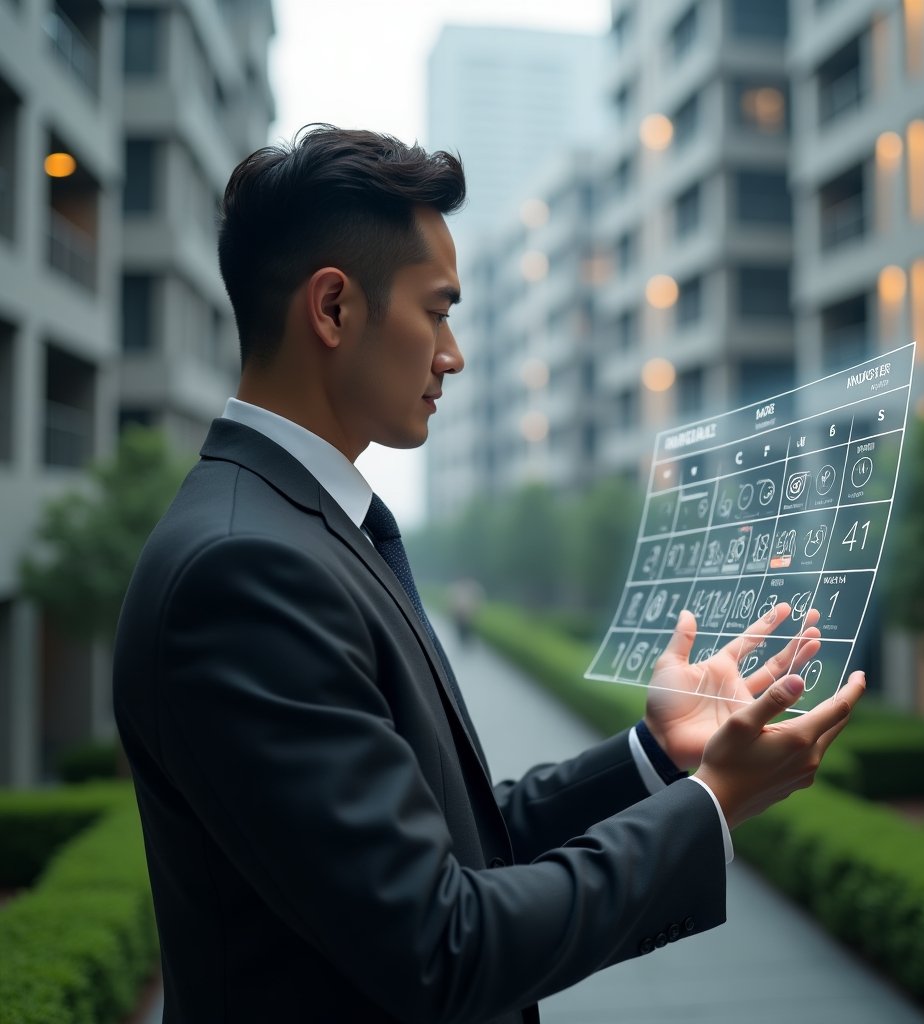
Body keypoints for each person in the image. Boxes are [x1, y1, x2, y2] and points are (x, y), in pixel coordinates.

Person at [113, 125, 865, 1024]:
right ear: (334, 309)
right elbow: (443, 946)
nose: (453, 354)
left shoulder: (293, 533)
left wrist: (657, 758)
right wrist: (710, 805)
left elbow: (449, 844)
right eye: (437, 311)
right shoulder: (244, 571)